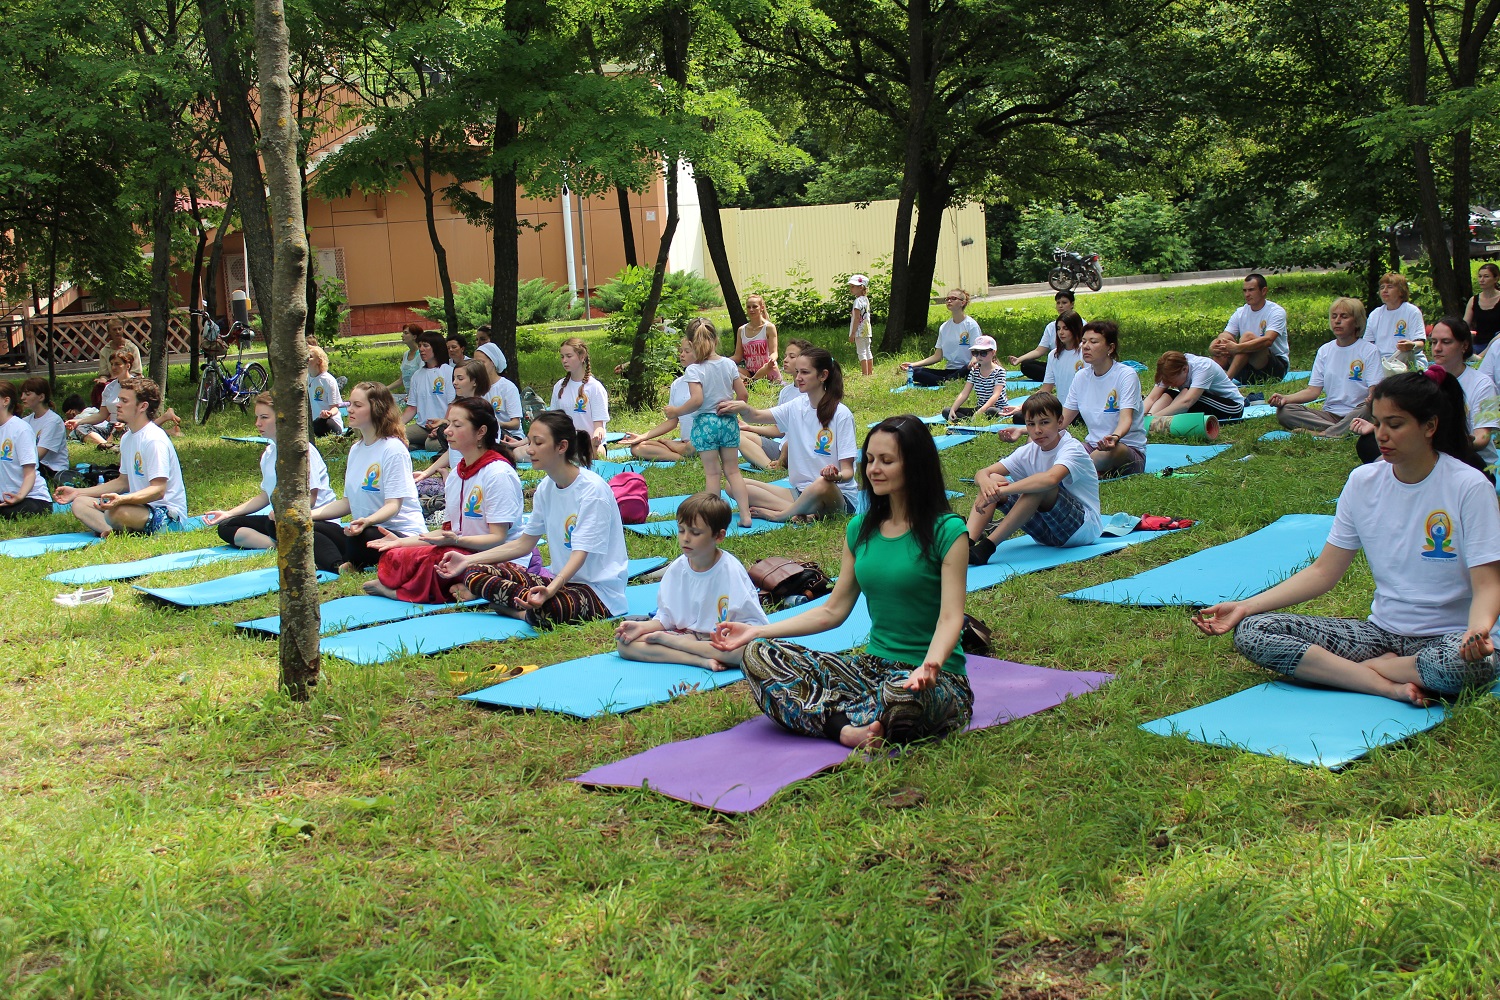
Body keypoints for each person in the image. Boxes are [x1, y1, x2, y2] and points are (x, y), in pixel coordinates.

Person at [1194, 370, 1500, 706]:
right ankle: (1381, 681)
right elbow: (1324, 572)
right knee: (1253, 631)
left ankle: (1364, 671)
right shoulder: (1363, 481)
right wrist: (1245, 606)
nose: (1381, 434)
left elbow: (1487, 584)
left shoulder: (1469, 487)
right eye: (1377, 422)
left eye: (1395, 425)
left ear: (1429, 426)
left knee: (1463, 665)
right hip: (1381, 634)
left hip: (1449, 638)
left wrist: (1477, 632)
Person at [712, 415, 973, 748]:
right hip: (870, 670)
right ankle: (847, 728)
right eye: (871, 460)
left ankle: (839, 712)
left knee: (902, 698)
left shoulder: (948, 531)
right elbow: (832, 611)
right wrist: (756, 631)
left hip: (933, 678)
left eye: (887, 461)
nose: (874, 469)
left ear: (915, 466)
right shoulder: (860, 529)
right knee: (758, 655)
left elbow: (951, 616)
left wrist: (930, 665)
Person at [437, 411, 629, 628]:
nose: (529, 450)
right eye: (529, 442)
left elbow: (580, 555)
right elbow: (524, 544)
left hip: (599, 593)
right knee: (473, 573)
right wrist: (467, 561)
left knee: (549, 610)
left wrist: (551, 589)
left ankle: (522, 612)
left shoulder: (592, 491)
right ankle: (528, 604)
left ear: (561, 447)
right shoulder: (546, 488)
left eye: (538, 443)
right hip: (560, 583)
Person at [365, 397, 525, 603]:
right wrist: (400, 542)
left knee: (437, 560)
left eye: (457, 425)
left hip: (498, 557)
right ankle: (450, 585)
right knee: (397, 554)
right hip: (461, 547)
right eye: (448, 423)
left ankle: (402, 592)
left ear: (481, 432)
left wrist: (455, 542)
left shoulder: (497, 473)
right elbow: (448, 531)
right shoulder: (458, 474)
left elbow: (498, 538)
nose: (447, 430)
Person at [616, 492, 769, 671]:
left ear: (719, 536)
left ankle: (680, 646)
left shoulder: (731, 570)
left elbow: (755, 626)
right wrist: (643, 627)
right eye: (681, 530)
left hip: (719, 641)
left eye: (695, 532)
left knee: (746, 651)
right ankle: (697, 660)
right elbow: (668, 617)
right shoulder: (677, 568)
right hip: (686, 636)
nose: (685, 538)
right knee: (625, 646)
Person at [717, 347, 859, 522]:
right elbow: (756, 416)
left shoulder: (841, 415)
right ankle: (805, 513)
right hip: (800, 492)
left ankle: (781, 515)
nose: (798, 377)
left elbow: (847, 472)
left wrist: (835, 476)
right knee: (733, 485)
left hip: (836, 495)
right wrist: (742, 408)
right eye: (798, 371)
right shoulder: (797, 405)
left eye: (805, 372)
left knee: (822, 483)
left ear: (823, 376)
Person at [203, 392, 340, 572]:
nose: (258, 423)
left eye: (264, 417)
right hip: (280, 520)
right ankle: (278, 545)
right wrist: (228, 513)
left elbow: (311, 499)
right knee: (227, 526)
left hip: (315, 520)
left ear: (282, 418)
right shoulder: (268, 453)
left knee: (279, 525)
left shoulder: (302, 450)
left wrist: (284, 513)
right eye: (257, 417)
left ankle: (323, 558)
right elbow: (264, 496)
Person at [967, 392, 1102, 564]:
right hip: (1045, 534)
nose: (1037, 430)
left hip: (1081, 530)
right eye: (1031, 424)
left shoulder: (1072, 448)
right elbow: (983, 473)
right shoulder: (1028, 452)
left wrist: (1000, 491)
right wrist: (986, 483)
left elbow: (1050, 479)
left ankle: (986, 548)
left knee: (1039, 485)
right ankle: (965, 544)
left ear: (1060, 422)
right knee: (993, 478)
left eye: (1045, 423)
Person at [311, 382, 428, 570]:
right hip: (361, 530)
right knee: (310, 528)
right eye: (350, 404)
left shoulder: (393, 449)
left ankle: (349, 558)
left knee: (361, 539)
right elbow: (346, 503)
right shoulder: (355, 449)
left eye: (358, 405)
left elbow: (393, 506)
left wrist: (368, 521)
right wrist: (307, 515)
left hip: (397, 534)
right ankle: (340, 566)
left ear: (377, 409)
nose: (350, 409)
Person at [53, 377, 187, 536]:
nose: (118, 404)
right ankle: (110, 531)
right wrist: (78, 492)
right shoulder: (127, 438)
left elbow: (158, 490)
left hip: (168, 516)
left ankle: (116, 527)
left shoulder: (154, 440)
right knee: (80, 504)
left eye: (124, 400)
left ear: (142, 406)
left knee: (116, 512)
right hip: (137, 507)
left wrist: (122, 500)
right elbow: (123, 482)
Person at [667, 320, 755, 528]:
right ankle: (745, 514)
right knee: (733, 471)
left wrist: (676, 411)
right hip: (728, 420)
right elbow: (743, 395)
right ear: (716, 340)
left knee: (712, 473)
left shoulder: (694, 370)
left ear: (691, 343)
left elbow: (696, 400)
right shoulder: (728, 364)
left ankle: (714, 520)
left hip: (706, 423)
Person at [1272, 297, 1384, 436]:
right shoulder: (1325, 350)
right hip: (1330, 414)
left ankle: (1323, 434)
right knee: (1285, 411)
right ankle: (1342, 430)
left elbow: (1374, 391)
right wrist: (1285, 398)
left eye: (1344, 317)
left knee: (1369, 408)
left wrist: (1371, 397)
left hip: (1358, 412)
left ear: (1356, 322)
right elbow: (1313, 391)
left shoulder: (1369, 350)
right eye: (1334, 316)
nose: (1337, 321)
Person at [1061, 320, 1147, 477]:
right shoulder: (1081, 376)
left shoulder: (1126, 375)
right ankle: (1082, 470)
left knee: (1105, 454)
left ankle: (1070, 472)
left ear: (1110, 348)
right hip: (1092, 447)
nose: (1085, 346)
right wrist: (1028, 431)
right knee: (1049, 445)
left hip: (1123, 449)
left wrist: (1114, 437)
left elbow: (1126, 420)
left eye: (1093, 342)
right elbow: (1062, 420)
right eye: (1084, 341)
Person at [1426, 317, 1498, 475]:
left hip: (1473, 462)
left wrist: (1458, 441)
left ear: (1464, 346)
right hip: (1430, 456)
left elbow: (1482, 438)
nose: (1437, 348)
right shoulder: (1423, 381)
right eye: (1433, 342)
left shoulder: (1482, 384)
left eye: (1446, 342)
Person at [1209, 273, 1290, 383]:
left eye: (1251, 290)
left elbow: (1268, 340)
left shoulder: (1276, 311)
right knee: (1223, 338)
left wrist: (1238, 348)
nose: (1247, 294)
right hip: (1245, 367)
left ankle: (1226, 381)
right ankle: (1213, 380)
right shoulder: (1240, 312)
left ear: (1264, 291)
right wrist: (1213, 347)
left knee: (1247, 337)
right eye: (1245, 290)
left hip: (1273, 368)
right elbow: (1225, 336)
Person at [902, 289, 981, 385]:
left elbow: (977, 353)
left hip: (967, 368)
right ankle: (947, 380)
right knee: (915, 372)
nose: (949, 301)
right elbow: (937, 356)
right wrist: (912, 365)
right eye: (947, 299)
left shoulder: (971, 325)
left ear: (962, 303)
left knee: (970, 368)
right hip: (950, 370)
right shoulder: (944, 327)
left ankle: (948, 380)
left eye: (953, 298)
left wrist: (972, 363)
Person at [548, 336, 610, 458]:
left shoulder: (595, 387)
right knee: (520, 453)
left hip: (590, 445)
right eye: (562, 357)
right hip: (565, 444)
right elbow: (553, 421)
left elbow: (599, 427)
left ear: (582, 357)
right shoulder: (559, 386)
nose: (564, 360)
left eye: (569, 356)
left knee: (593, 453)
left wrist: (597, 437)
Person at [0, 380, 53, 518]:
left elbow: (30, 472)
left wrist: (19, 496)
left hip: (32, 498)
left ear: (5, 401)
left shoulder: (20, 429)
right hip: (6, 498)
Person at [1143, 350, 1246, 421]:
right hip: (1201, 402)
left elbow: (1187, 402)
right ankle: (1148, 423)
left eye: (1173, 382)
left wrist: (1154, 417)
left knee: (1186, 392)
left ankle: (1152, 422)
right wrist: (1138, 418)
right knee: (1167, 393)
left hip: (1232, 407)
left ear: (1184, 369)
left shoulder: (1203, 366)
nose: (1173, 385)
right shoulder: (1169, 370)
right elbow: (1152, 398)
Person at [399, 330, 454, 450]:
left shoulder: (448, 372)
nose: (421, 349)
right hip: (422, 426)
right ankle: (417, 443)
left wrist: (443, 426)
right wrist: (396, 426)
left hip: (444, 425)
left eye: (425, 346)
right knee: (396, 436)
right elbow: (412, 407)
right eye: (419, 346)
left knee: (431, 445)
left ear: (436, 347)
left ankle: (421, 444)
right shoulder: (417, 375)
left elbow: (452, 404)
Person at [1009, 290, 1077, 383]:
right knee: (1026, 365)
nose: (1061, 332)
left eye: (1064, 303)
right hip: (1055, 366)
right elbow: (1039, 350)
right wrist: (1019, 359)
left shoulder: (1080, 324)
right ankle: (1056, 377)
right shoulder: (1050, 328)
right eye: (1058, 303)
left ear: (1072, 304)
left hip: (1074, 365)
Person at [67, 351, 131, 449]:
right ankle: (109, 446)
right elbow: (101, 415)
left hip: (129, 424)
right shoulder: (109, 388)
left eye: (118, 364)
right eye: (112, 364)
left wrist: (125, 422)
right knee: (81, 428)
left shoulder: (137, 385)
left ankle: (109, 445)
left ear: (128, 366)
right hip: (111, 426)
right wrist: (78, 422)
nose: (113, 367)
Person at [1364, 272, 1427, 364]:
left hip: (1408, 361)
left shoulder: (1412, 311)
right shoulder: (1375, 314)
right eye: (1382, 287)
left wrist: (1411, 346)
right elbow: (1368, 344)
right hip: (1382, 362)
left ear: (1401, 291)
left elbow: (1420, 343)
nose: (1384, 290)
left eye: (1390, 287)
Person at [942, 335, 1008, 422]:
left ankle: (967, 420)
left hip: (997, 408)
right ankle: (970, 421)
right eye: (975, 353)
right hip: (980, 408)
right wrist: (953, 409)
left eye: (983, 353)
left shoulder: (999, 372)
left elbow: (995, 396)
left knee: (991, 411)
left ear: (993, 352)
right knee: (946, 411)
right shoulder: (974, 371)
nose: (979, 356)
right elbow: (964, 393)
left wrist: (979, 412)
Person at [20, 377, 68, 481]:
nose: (22, 397)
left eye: (27, 394)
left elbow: (38, 456)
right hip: (33, 465)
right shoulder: (25, 421)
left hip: (51, 469)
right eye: (23, 394)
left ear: (41, 397)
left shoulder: (53, 421)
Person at [475, 343, 522, 442]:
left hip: (509, 436)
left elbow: (515, 424)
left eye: (482, 362)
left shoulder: (508, 387)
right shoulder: (476, 387)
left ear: (493, 362)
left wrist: (495, 423)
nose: (478, 367)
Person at [91, 318, 143, 407]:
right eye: (114, 329)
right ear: (109, 332)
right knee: (98, 389)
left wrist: (121, 377)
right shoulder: (105, 351)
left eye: (120, 329)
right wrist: (102, 380)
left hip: (131, 379)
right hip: (111, 381)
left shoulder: (132, 348)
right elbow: (104, 374)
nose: (118, 332)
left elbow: (137, 372)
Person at [733, 294, 782, 387]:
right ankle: (750, 381)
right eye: (748, 307)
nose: (751, 310)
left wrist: (772, 359)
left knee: (768, 366)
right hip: (749, 371)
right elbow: (737, 356)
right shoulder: (741, 330)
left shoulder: (769, 327)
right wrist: (723, 361)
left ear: (762, 308)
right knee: (730, 368)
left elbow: (774, 352)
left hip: (766, 369)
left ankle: (751, 382)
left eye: (754, 306)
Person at [307, 345, 344, 437]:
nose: (306, 359)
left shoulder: (328, 380)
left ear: (319, 361)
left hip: (330, 422)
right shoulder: (305, 379)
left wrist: (328, 414)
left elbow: (335, 408)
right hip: (314, 422)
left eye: (310, 357)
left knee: (319, 423)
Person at [1466, 262, 1500, 354]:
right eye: (1480, 276)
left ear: (1496, 279)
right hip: (1479, 343)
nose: (1482, 280)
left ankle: (1482, 356)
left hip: (1497, 343)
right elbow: (1464, 325)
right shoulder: (1473, 300)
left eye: (1486, 276)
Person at [386, 324, 424, 399]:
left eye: (406, 333)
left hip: (418, 397)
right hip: (408, 397)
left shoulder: (421, 355)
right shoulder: (406, 354)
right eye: (403, 333)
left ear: (414, 337)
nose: (402, 335)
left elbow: (423, 380)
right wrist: (385, 389)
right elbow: (401, 380)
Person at [847, 274, 874, 377]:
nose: (851, 289)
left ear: (861, 287)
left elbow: (857, 318)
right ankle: (870, 372)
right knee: (868, 351)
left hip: (859, 331)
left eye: (853, 286)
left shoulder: (857, 301)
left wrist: (853, 333)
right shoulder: (865, 299)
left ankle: (864, 374)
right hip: (867, 330)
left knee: (861, 352)